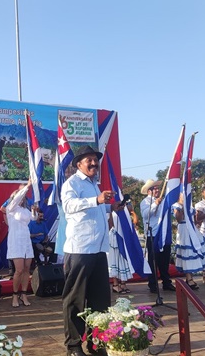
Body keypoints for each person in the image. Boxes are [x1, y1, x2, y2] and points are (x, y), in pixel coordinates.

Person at [61, 145, 123, 356]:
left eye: (95, 160)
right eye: (89, 159)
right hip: (80, 249)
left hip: (98, 250)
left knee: (100, 301)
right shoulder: (72, 183)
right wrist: (96, 200)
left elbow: (94, 208)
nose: (94, 163)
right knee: (75, 300)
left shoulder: (94, 185)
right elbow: (69, 206)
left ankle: (97, 344)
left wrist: (110, 207)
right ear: (79, 164)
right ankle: (73, 346)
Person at [140, 179, 176, 294]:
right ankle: (153, 284)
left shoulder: (163, 201)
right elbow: (146, 215)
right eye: (155, 188)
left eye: (157, 188)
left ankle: (166, 282)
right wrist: (155, 204)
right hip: (152, 235)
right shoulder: (145, 202)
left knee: (164, 260)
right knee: (153, 261)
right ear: (149, 191)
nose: (157, 190)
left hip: (163, 234)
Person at [6, 182, 37, 308]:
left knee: (26, 269)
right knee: (18, 270)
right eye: (19, 196)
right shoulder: (11, 208)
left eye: (23, 197)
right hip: (15, 241)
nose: (21, 198)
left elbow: (33, 218)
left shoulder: (25, 210)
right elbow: (18, 197)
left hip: (26, 241)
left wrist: (34, 211)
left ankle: (23, 294)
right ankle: (15, 294)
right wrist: (28, 186)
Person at [173, 193, 205, 290]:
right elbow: (179, 219)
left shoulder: (190, 206)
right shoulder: (177, 206)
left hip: (192, 228)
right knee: (187, 252)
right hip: (184, 229)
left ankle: (191, 277)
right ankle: (189, 278)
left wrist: (197, 225)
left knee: (196, 251)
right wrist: (182, 208)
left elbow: (194, 219)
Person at [107, 211, 132, 295]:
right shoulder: (108, 208)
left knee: (122, 260)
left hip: (122, 235)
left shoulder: (123, 208)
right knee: (114, 259)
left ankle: (123, 283)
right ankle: (115, 284)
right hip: (113, 236)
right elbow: (109, 223)